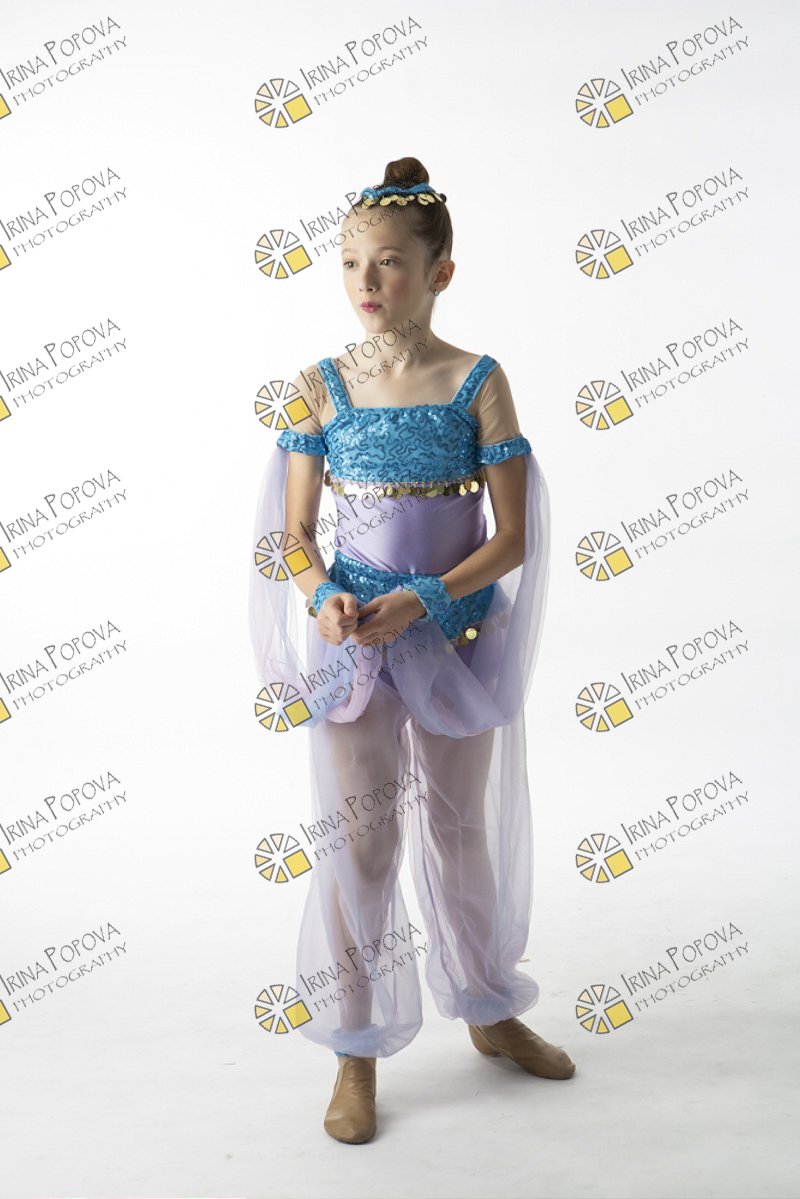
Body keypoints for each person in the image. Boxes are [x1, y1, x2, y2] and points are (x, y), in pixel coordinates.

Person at [249, 156, 576, 1145]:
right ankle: (356, 1045)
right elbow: (292, 535)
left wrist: (427, 596)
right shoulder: (319, 387)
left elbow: (511, 537)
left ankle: (486, 1003)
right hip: (357, 644)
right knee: (362, 839)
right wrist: (323, 597)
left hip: (458, 634)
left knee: (460, 827)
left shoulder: (476, 381)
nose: (366, 280)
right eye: (351, 261)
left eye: (389, 261)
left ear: (438, 272)